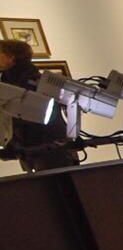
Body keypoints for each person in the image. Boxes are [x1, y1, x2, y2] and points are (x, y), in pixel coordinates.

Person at [0, 39, 72, 170]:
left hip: (47, 149)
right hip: (32, 150)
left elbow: (32, 120)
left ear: (11, 56)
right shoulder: (13, 81)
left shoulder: (31, 81)